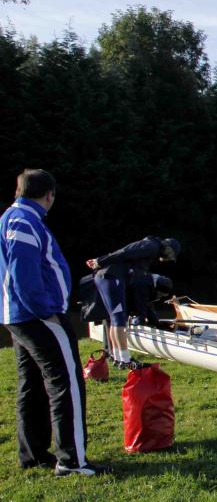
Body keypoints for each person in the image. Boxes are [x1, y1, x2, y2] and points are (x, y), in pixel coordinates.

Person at [2, 169, 109, 476]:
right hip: (37, 316)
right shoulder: (24, 221)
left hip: (19, 316)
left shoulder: (12, 217)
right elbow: (24, 272)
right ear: (48, 195)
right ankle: (72, 460)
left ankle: (33, 454)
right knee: (67, 381)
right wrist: (45, 309)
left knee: (32, 383)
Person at [84, 235, 181, 367]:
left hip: (108, 277)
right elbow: (125, 252)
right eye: (170, 255)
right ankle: (125, 359)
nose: (167, 259)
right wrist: (100, 261)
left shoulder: (151, 248)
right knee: (119, 319)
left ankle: (118, 357)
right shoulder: (151, 246)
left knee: (114, 319)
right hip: (111, 277)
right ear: (168, 248)